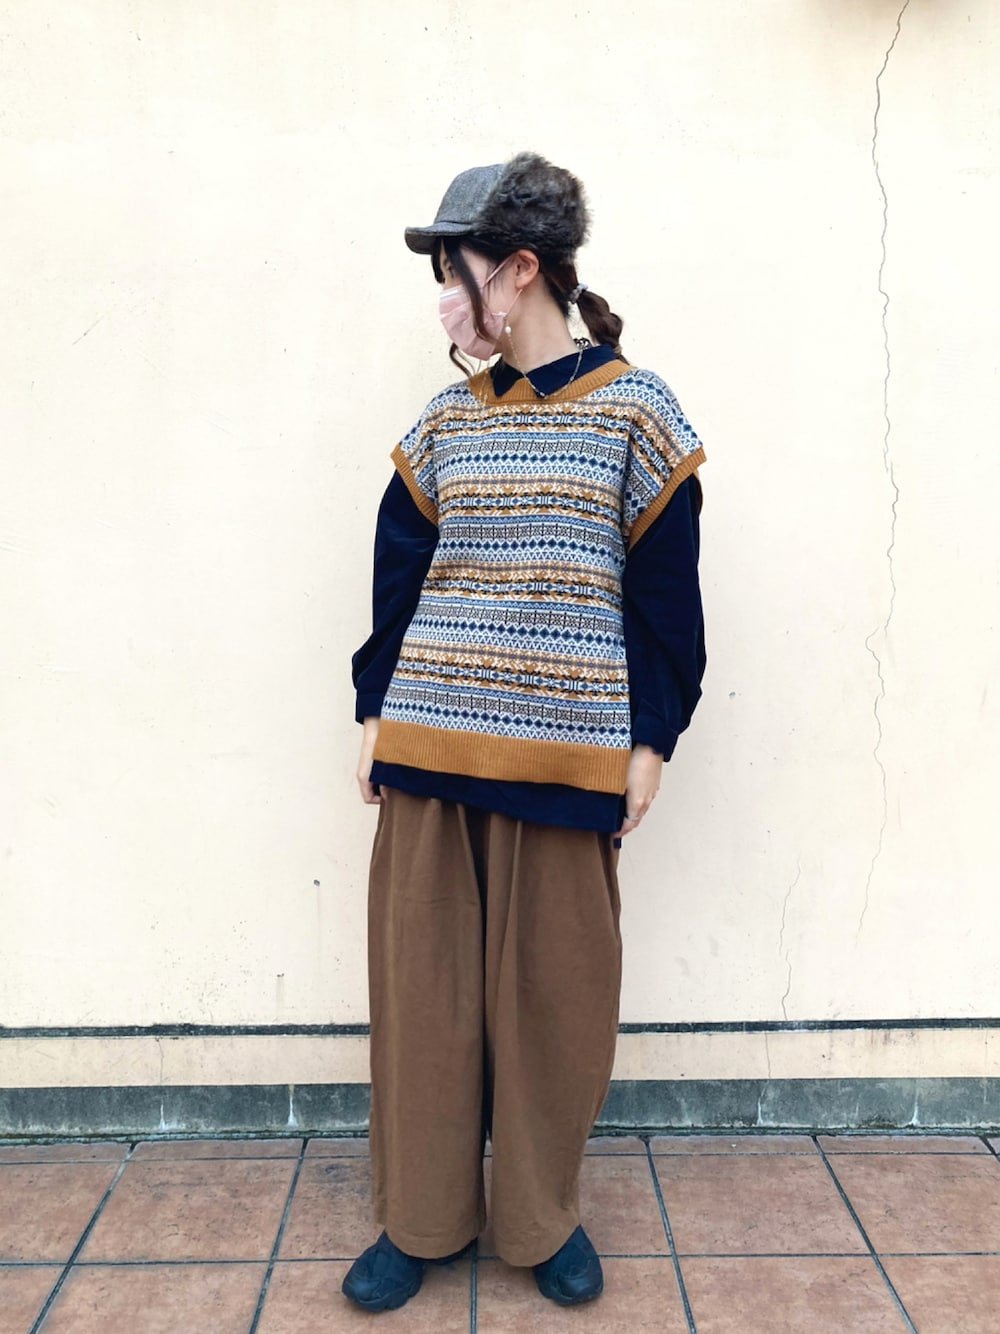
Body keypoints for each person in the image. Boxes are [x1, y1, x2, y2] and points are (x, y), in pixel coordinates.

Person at [343, 151, 706, 1313]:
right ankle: (420, 1216)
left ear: (516, 269)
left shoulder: (638, 413)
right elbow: (398, 575)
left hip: (567, 757)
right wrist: (374, 709)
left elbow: (666, 594)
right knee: (424, 1000)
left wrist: (650, 738)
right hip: (430, 755)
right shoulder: (446, 422)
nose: (445, 305)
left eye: (452, 275)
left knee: (556, 1001)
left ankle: (542, 1215)